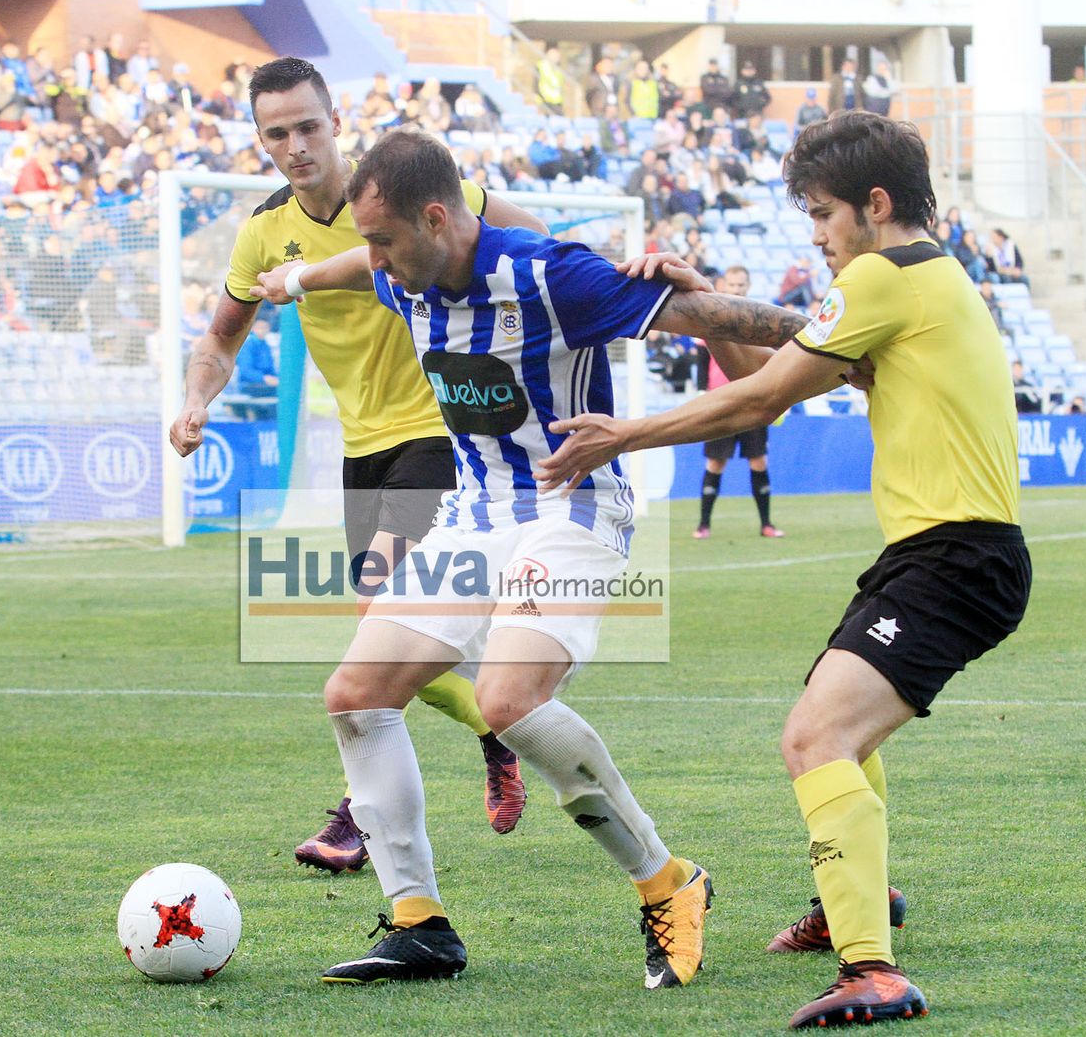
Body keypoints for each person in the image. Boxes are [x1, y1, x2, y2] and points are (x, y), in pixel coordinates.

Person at [251, 125, 807, 989]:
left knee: (506, 700)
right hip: (474, 517)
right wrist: (293, 279)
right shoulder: (403, 273)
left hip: (574, 506)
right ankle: (419, 922)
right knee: (356, 696)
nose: (377, 262)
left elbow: (742, 339)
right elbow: (354, 267)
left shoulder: (556, 275)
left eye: (386, 241)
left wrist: (861, 333)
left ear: (438, 219)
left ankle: (669, 882)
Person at [535, 110, 1030, 1028]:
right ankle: (866, 904)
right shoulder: (921, 279)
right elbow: (768, 379)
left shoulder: (887, 275)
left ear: (874, 207)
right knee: (836, 727)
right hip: (940, 554)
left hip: (957, 557)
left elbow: (756, 398)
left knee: (815, 738)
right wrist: (694, 305)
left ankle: (874, 971)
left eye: (822, 214)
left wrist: (624, 435)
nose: (816, 236)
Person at [167, 58, 545, 874]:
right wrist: (197, 398)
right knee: (388, 624)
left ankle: (355, 817)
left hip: (439, 428)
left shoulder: (396, 192)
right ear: (261, 140)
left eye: (308, 125)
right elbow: (220, 337)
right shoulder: (265, 231)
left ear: (335, 120)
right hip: (363, 447)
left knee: (380, 608)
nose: (296, 145)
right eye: (278, 133)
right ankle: (495, 727)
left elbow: (524, 233)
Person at [694, 265, 784, 540]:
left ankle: (766, 524)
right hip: (721, 400)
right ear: (724, 286)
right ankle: (703, 525)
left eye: (741, 285)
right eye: (732, 285)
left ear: (749, 285)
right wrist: (701, 393)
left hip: (752, 397)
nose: (737, 289)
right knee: (715, 463)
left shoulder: (758, 318)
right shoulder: (715, 317)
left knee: (759, 461)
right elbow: (702, 358)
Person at [535, 46, 567, 116]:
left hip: (557, 102)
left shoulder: (558, 69)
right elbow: (536, 83)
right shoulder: (542, 65)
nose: (557, 58)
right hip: (545, 101)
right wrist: (540, 97)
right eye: (555, 56)